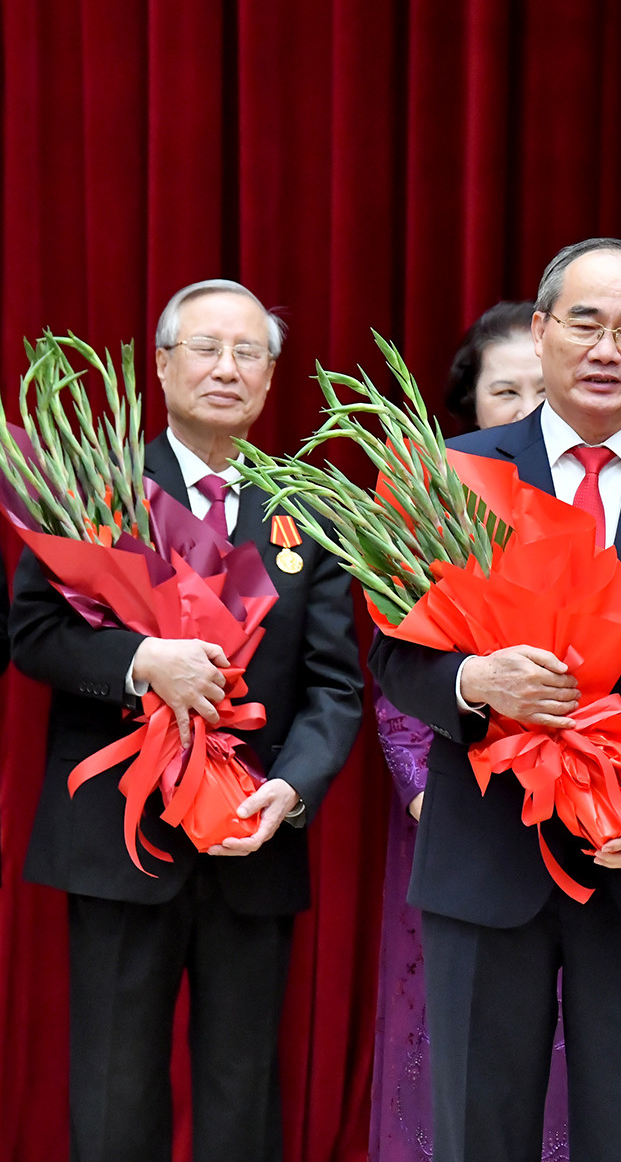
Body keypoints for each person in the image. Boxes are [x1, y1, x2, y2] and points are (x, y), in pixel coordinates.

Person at [369, 238, 621, 1162]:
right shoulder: (453, 472)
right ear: (543, 331)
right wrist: (475, 681)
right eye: (586, 322)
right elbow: (393, 655)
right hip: (485, 853)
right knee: (480, 1131)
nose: (608, 347)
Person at [11, 279, 364, 1162]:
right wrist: (143, 664)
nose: (227, 368)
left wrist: (293, 788)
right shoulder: (101, 485)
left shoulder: (310, 510)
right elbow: (34, 635)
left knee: (243, 1089)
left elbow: (334, 685)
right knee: (112, 1085)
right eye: (205, 348)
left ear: (272, 376)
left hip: (252, 836)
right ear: (163, 365)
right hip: (119, 841)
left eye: (249, 353)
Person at [371, 300, 566, 1162]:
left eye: (540, 387)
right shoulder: (434, 503)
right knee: (463, 1049)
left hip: (586, 807)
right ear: (473, 405)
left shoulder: (616, 495)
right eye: (505, 391)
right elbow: (397, 662)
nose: (525, 408)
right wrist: (422, 787)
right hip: (460, 806)